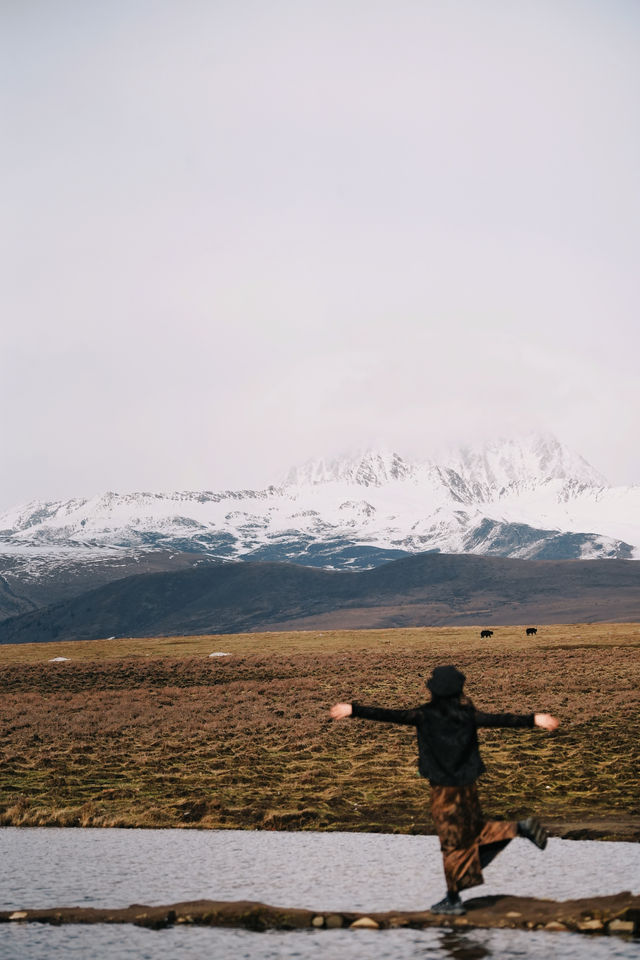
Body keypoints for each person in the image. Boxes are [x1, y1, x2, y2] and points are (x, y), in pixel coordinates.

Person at [330, 664, 559, 916]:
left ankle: (453, 899)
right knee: (473, 831)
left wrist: (353, 709)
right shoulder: (467, 714)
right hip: (467, 786)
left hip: (443, 791)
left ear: (435, 691)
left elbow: (390, 714)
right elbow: (499, 719)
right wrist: (535, 719)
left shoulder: (424, 715)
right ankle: (518, 829)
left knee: (451, 844)